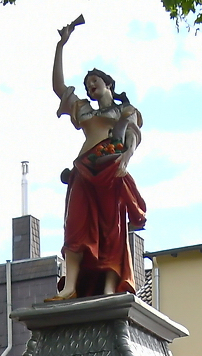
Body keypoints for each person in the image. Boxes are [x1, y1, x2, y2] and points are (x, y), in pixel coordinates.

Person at [50, 18, 146, 300]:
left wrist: (126, 158)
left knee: (112, 229)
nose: (90, 87)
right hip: (84, 170)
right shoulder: (83, 111)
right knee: (76, 225)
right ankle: (70, 286)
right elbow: (58, 87)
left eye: (95, 82)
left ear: (108, 84)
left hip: (110, 171)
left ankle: (108, 287)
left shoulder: (124, 111)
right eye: (87, 84)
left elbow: (133, 136)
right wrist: (60, 46)